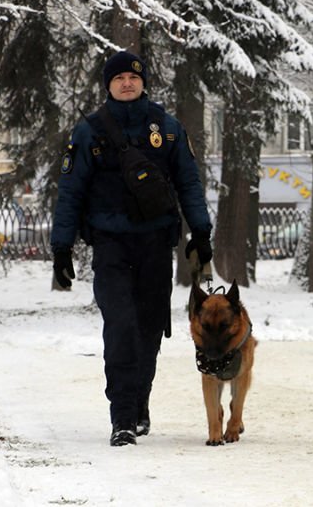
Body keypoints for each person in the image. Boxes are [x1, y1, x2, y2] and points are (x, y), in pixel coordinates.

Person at [50, 51, 213, 446]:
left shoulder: (167, 128)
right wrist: (61, 247)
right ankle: (122, 416)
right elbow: (71, 192)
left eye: (133, 77)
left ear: (143, 83)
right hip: (110, 245)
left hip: (156, 243)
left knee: (149, 328)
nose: (127, 83)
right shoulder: (89, 131)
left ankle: (139, 402)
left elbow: (189, 183)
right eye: (119, 77)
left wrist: (201, 232)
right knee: (120, 326)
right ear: (108, 85)